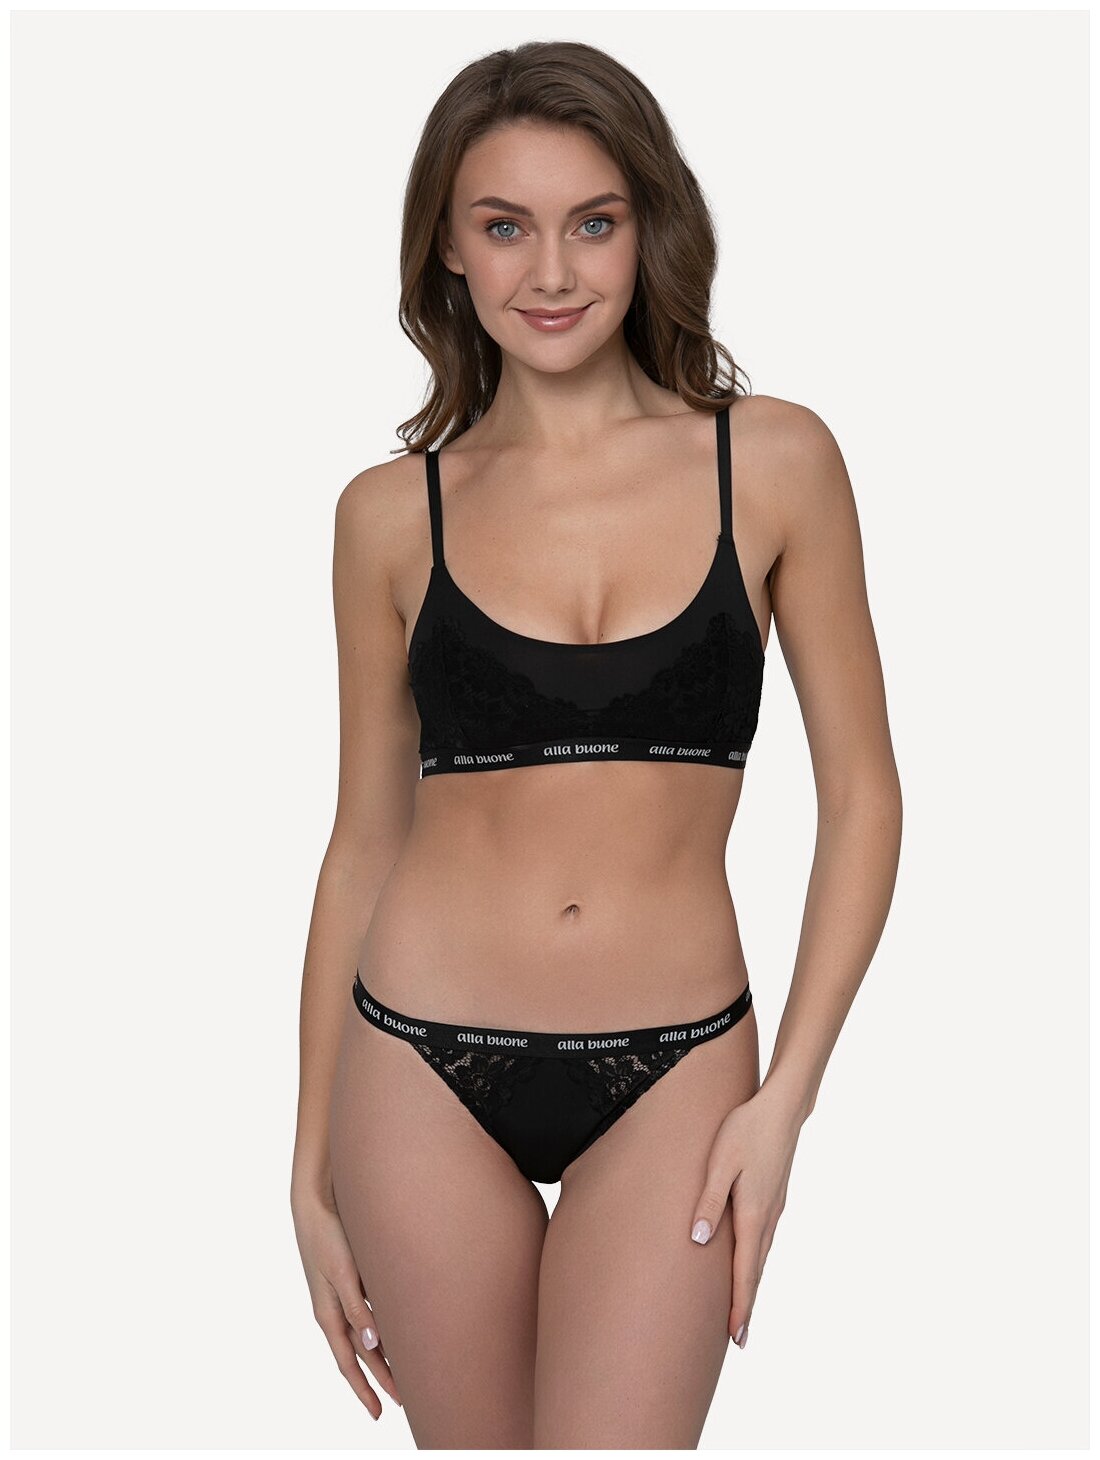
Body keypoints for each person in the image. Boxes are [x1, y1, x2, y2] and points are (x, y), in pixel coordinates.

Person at [290, 38, 903, 1450]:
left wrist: (787, 1103)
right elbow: (362, 840)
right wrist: (309, 1166)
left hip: (679, 1068)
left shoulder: (775, 461)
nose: (552, 271)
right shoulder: (387, 514)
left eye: (594, 222)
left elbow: (864, 799)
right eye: (505, 226)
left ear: (648, 229)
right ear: (449, 249)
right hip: (416, 1065)